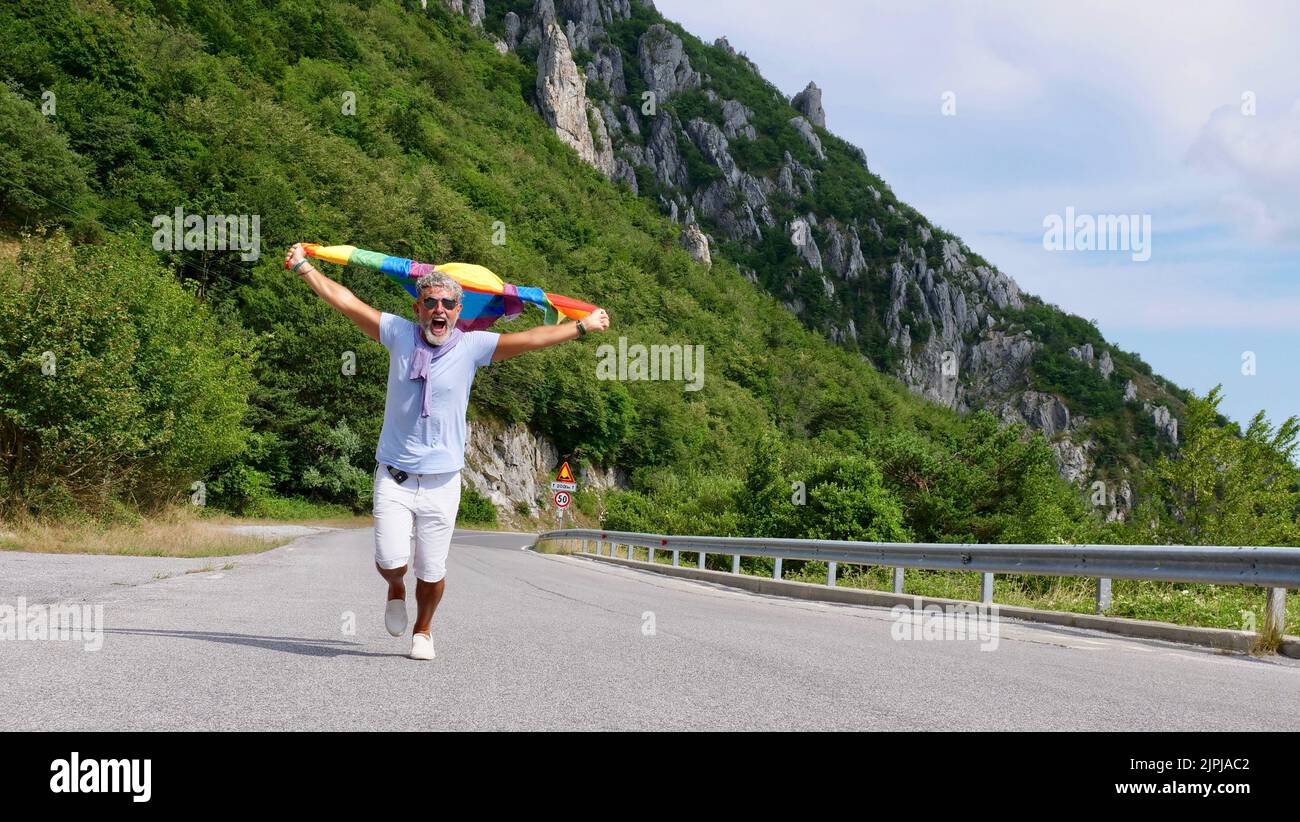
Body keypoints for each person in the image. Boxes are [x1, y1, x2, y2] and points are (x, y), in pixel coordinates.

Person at [284, 242, 610, 660]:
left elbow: (531, 338)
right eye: (431, 302)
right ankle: (395, 589)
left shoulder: (473, 347)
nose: (439, 309)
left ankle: (423, 629)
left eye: (448, 304)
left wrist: (582, 326)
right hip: (394, 477)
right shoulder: (398, 333)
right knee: (390, 559)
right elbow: (347, 302)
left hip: (443, 483)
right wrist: (305, 268)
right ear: (419, 308)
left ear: (458, 312)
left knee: (433, 570)